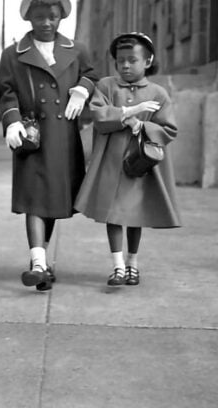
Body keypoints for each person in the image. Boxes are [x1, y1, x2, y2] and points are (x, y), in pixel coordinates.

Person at [0, 0, 98, 291]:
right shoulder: (13, 54)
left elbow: (93, 73)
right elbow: (6, 91)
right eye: (39, 16)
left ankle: (39, 261)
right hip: (32, 135)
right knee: (34, 200)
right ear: (29, 17)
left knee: (53, 199)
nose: (46, 23)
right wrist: (12, 121)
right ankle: (39, 262)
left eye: (52, 17)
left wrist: (83, 89)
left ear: (61, 18)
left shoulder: (77, 49)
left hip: (63, 136)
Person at [75, 32, 181, 286]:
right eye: (120, 60)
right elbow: (99, 116)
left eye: (132, 60)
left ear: (147, 61)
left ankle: (133, 263)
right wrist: (126, 115)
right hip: (112, 164)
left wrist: (144, 127)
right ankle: (118, 266)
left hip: (141, 165)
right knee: (113, 214)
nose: (125, 65)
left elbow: (169, 129)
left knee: (135, 213)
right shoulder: (106, 87)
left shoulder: (158, 93)